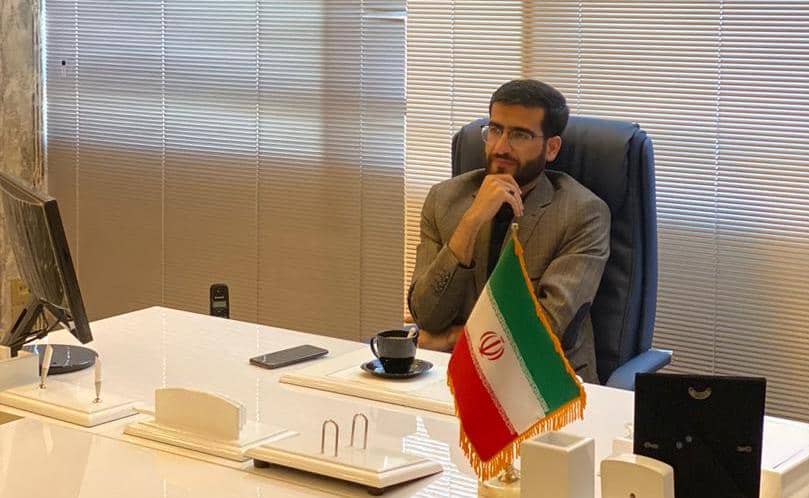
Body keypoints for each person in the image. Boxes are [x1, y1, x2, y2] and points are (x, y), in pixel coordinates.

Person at [407, 79, 610, 383]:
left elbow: (543, 332)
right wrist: (471, 222)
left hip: (539, 383)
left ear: (551, 148)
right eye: (495, 130)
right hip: (454, 378)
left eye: (519, 135)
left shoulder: (582, 213)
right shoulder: (444, 200)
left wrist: (450, 338)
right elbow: (427, 314)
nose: (501, 147)